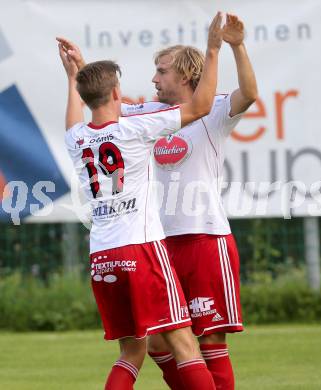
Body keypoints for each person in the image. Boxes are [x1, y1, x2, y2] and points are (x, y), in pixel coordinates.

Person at [58, 11, 226, 390]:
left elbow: (73, 119)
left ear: (85, 97)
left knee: (130, 353)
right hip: (142, 250)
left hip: (102, 255)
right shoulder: (135, 129)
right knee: (185, 345)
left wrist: (72, 77)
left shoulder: (77, 139)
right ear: (117, 93)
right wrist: (213, 50)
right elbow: (200, 108)